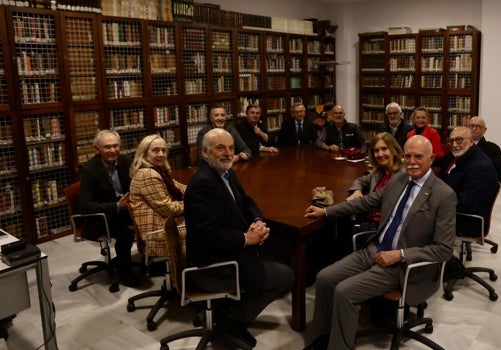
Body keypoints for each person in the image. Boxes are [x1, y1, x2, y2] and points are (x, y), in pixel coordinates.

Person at [302, 135, 457, 350]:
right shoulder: (399, 180)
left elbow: (444, 249)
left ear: (431, 158)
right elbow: (365, 202)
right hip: (375, 249)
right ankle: (322, 337)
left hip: (402, 265)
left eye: (418, 157)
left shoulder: (444, 195)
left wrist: (401, 255)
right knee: (325, 278)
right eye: (407, 156)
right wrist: (327, 211)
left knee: (345, 292)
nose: (411, 161)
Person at [185, 128, 294, 348]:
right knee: (287, 275)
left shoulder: (225, 173)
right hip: (213, 263)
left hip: (228, 250)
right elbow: (209, 237)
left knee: (274, 255)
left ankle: (225, 309)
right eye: (220, 148)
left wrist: (258, 221)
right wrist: (247, 238)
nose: (228, 153)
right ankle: (230, 320)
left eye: (231, 148)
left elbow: (246, 201)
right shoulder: (203, 183)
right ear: (205, 153)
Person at [78, 129, 139, 287]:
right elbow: (85, 205)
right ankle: (125, 273)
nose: (113, 150)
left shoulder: (126, 161)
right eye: (107, 147)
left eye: (115, 146)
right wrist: (116, 207)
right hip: (102, 217)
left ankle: (154, 263)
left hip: (125, 210)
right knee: (125, 234)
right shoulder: (88, 169)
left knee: (151, 219)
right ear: (97, 148)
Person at [129, 134, 186, 259]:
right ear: (144, 154)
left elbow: (180, 187)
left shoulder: (159, 171)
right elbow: (167, 209)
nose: (161, 154)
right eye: (155, 150)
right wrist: (191, 204)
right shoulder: (147, 174)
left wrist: (198, 192)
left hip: (166, 223)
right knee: (208, 226)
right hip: (160, 231)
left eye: (163, 150)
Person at [437, 126, 499, 236]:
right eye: (451, 141)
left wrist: (435, 203)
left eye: (459, 140)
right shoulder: (460, 156)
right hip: (453, 209)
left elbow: (465, 206)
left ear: (471, 141)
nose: (454, 145)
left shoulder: (480, 167)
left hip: (466, 221)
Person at [346, 132, 405, 231]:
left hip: (384, 227)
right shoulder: (379, 172)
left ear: (394, 150)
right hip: (368, 220)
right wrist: (357, 191)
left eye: (384, 149)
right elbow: (360, 181)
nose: (380, 154)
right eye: (376, 151)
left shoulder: (403, 175)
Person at [467, 116, 501, 183]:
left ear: (484, 130)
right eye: (471, 126)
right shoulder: (462, 145)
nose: (474, 129)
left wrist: (492, 186)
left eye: (478, 126)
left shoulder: (491, 148)